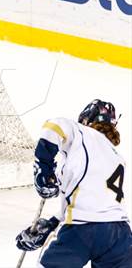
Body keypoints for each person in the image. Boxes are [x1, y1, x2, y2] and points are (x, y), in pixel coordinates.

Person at [16, 99, 132, 267]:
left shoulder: (82, 132)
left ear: (86, 120)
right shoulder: (117, 158)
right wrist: (51, 224)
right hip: (121, 236)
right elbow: (94, 202)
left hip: (82, 231)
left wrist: (43, 166)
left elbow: (54, 125)